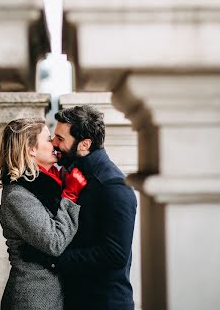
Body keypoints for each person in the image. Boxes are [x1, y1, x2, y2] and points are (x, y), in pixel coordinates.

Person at [23, 105, 137, 310]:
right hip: (74, 299)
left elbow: (115, 255)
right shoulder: (71, 174)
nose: (54, 144)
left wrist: (52, 259)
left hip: (103, 303)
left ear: (84, 144)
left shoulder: (114, 187)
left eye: (60, 138)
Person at [0, 117, 87, 310]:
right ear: (31, 149)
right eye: (48, 139)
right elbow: (55, 242)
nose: (54, 144)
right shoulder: (17, 196)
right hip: (33, 299)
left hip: (52, 294)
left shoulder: (46, 185)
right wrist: (70, 195)